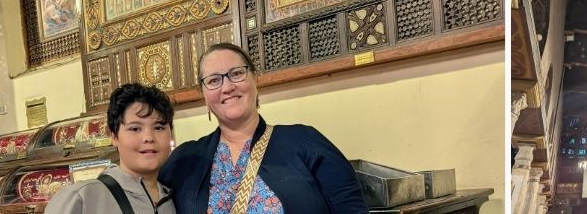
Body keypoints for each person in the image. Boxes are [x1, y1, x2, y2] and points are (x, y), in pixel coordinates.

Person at [159, 43, 367, 214]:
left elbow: (350, 206)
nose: (227, 87)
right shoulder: (185, 159)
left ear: (255, 79)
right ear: (203, 94)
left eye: (236, 73)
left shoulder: (305, 141)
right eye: (214, 80)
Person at [45, 83, 175, 214]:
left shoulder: (174, 198)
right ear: (114, 137)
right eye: (135, 129)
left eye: (159, 128)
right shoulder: (82, 199)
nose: (149, 137)